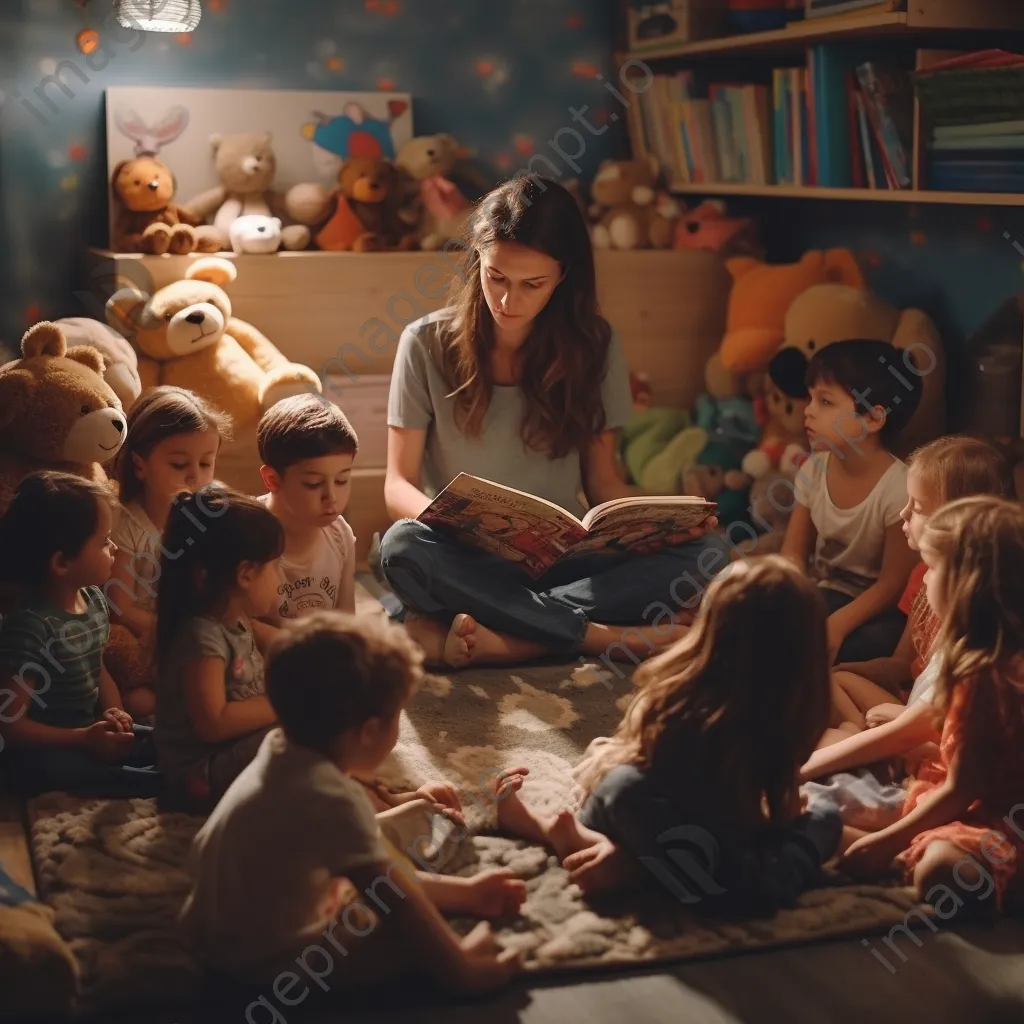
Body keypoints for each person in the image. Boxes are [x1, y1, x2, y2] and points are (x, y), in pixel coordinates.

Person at [378, 175, 727, 668]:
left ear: (563, 277)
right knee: (402, 549)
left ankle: (509, 633)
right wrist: (457, 527)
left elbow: (603, 483)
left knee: (709, 553)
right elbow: (397, 484)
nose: (507, 300)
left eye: (532, 285)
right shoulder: (424, 343)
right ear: (478, 260)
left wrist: (664, 525)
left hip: (562, 563)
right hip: (467, 558)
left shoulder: (595, 347)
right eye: (496, 276)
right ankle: (593, 637)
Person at [180, 611, 524, 995]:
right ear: (370, 731)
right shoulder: (331, 800)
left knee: (395, 833)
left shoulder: (282, 748)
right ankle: (453, 966)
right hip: (263, 962)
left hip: (211, 929)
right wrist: (462, 970)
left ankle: (459, 907)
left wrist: (468, 894)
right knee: (405, 940)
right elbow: (392, 894)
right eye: (397, 717)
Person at [492, 556, 850, 916]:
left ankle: (617, 856)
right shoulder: (692, 704)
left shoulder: (779, 710)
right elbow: (746, 855)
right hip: (647, 807)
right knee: (816, 825)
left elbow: (768, 800)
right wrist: (814, 828)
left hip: (677, 818)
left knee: (703, 831)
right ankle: (611, 854)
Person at [841, 497, 1024, 917]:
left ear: (966, 584)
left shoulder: (984, 675)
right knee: (853, 809)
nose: (924, 583)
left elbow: (966, 789)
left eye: (933, 570)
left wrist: (887, 842)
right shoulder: (978, 662)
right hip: (979, 802)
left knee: (943, 869)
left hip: (992, 817)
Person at [827, 435, 1015, 740]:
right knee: (836, 681)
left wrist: (903, 718)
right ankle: (861, 736)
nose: (903, 513)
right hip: (915, 703)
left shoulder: (977, 602)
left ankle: (865, 743)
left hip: (941, 721)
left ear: (954, 517)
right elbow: (904, 662)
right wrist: (859, 669)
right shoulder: (923, 576)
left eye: (917, 507)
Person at [0, 472, 160, 798]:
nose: (114, 547)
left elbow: (96, 668)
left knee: (163, 741)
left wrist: (116, 714)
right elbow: (11, 726)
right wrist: (84, 738)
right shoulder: (30, 627)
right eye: (104, 542)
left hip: (88, 730)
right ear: (62, 563)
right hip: (45, 746)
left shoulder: (92, 599)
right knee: (53, 769)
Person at [782, 339, 922, 665]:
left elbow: (893, 584)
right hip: (825, 592)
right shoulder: (815, 467)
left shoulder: (899, 488)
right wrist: (784, 596)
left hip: (874, 610)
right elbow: (793, 553)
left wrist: (838, 625)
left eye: (826, 401)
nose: (808, 410)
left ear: (873, 419)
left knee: (855, 647)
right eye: (811, 398)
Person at [154, 488, 284, 811]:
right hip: (199, 777)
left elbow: (286, 644)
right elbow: (214, 722)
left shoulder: (237, 621)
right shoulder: (202, 637)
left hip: (231, 751)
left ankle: (361, 795)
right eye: (275, 566)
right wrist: (284, 704)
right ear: (245, 575)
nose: (281, 578)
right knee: (296, 735)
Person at [108, 386, 232, 717]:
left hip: (196, 637)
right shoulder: (128, 525)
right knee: (137, 701)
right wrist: (169, 627)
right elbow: (119, 609)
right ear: (139, 465)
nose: (196, 476)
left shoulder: (209, 517)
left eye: (207, 463)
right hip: (147, 640)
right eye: (179, 464)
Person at [256, 393, 359, 623]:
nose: (331, 497)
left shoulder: (340, 535)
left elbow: (346, 618)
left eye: (342, 480)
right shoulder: (246, 534)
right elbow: (238, 627)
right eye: (313, 484)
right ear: (273, 480)